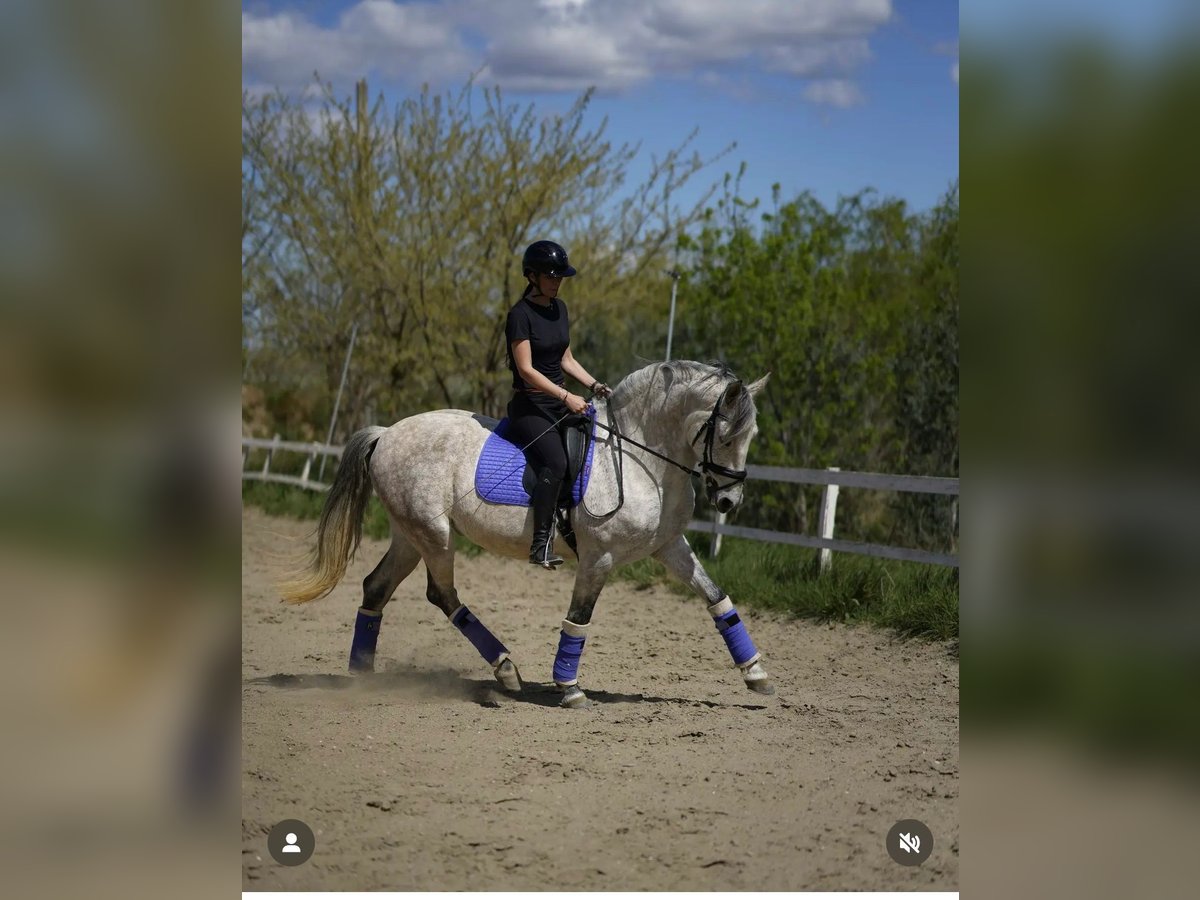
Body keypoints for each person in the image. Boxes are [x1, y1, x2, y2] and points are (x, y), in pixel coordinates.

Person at [505, 240, 612, 569]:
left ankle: (576, 526)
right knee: (555, 461)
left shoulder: (560, 309)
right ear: (532, 276)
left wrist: (593, 384)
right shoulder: (519, 315)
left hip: (558, 403)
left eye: (559, 277)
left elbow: (565, 358)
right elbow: (526, 370)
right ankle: (540, 544)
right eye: (551, 276)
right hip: (530, 407)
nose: (556, 282)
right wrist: (566, 396)